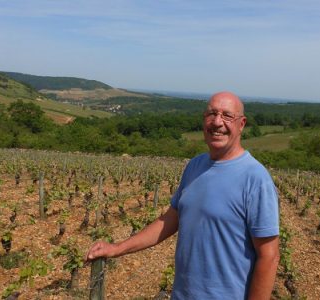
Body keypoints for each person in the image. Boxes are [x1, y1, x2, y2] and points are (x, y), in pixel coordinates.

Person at [86, 91, 280, 299]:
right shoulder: (195, 166)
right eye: (211, 114)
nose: (217, 122)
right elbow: (170, 219)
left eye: (227, 116)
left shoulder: (255, 178)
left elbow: (269, 256)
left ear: (241, 124)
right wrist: (117, 248)